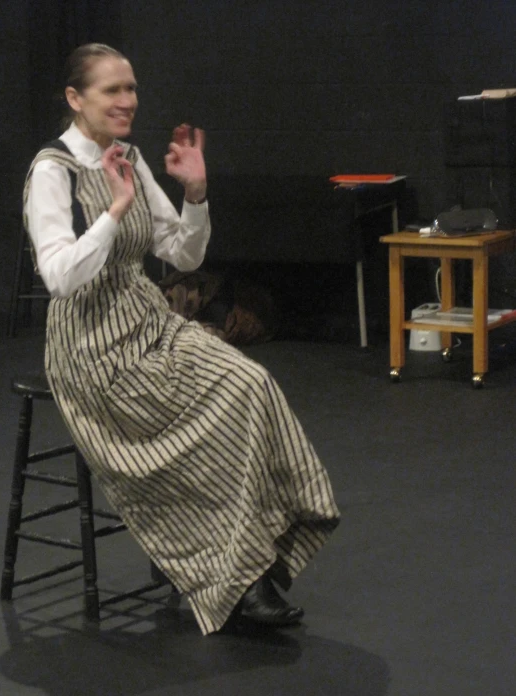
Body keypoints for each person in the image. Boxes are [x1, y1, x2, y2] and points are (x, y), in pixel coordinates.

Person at [23, 43, 340, 635]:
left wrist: (195, 195)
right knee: (198, 416)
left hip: (148, 321)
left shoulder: (129, 157)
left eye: (132, 88)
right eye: (112, 90)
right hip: (90, 345)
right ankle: (233, 578)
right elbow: (59, 276)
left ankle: (249, 560)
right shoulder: (52, 170)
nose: (127, 101)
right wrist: (115, 211)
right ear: (75, 98)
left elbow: (183, 255)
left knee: (249, 383)